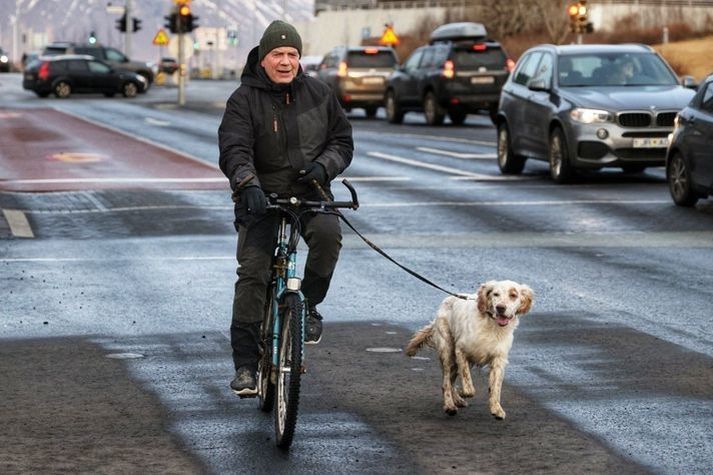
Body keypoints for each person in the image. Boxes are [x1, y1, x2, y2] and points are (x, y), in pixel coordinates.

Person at [218, 20, 354, 397]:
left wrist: (324, 167)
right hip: (260, 196)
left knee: (329, 239)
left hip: (310, 191)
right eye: (277, 54)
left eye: (292, 54)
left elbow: (342, 141)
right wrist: (247, 184)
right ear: (263, 59)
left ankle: (307, 305)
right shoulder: (243, 100)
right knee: (253, 274)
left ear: (299, 59)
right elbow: (234, 149)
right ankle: (246, 364)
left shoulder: (320, 94)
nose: (285, 61)